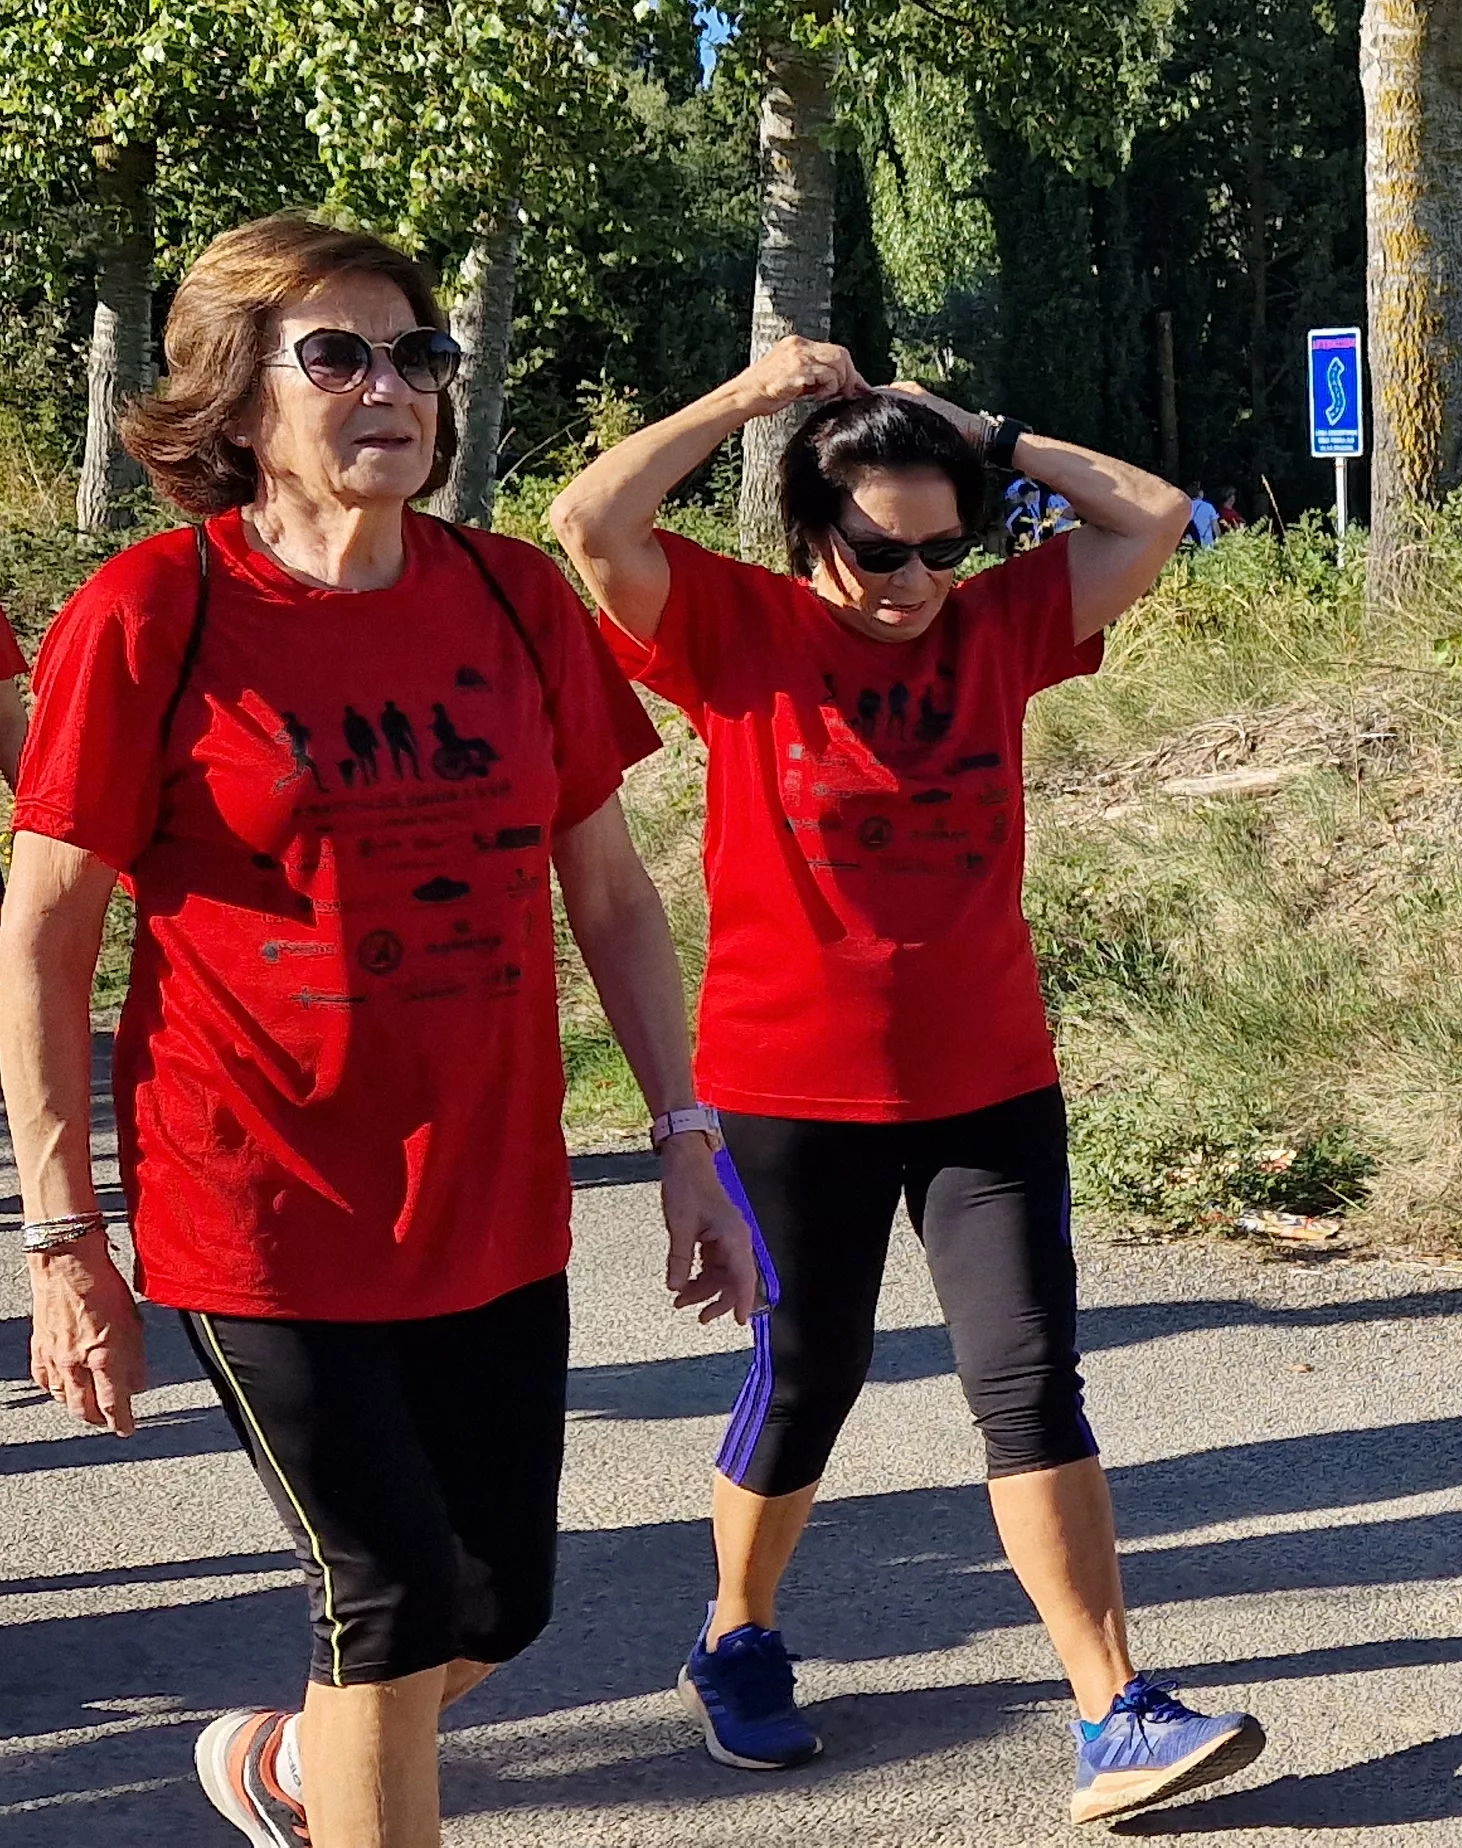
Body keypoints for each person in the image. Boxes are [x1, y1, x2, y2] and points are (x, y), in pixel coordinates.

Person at [3, 214, 758, 1848]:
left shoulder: (512, 597)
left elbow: (614, 895)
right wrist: (64, 1233)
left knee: (501, 1602)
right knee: (395, 1595)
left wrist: (687, 1134)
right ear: (236, 396)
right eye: (334, 353)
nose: (390, 386)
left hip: (486, 1197)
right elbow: (47, 927)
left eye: (416, 353)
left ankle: (288, 1766)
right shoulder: (154, 613)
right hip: (260, 1199)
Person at [546, 342, 1262, 1825]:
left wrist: (989, 431)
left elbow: (1152, 515)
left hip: (987, 1078)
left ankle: (1111, 1711)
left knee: (1027, 1379)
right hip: (785, 1087)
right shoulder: (736, 628)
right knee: (811, 1378)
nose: (917, 577)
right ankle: (734, 1636)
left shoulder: (1000, 626)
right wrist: (746, 402)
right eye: (881, 549)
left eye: (948, 543)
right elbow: (590, 521)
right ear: (814, 533)